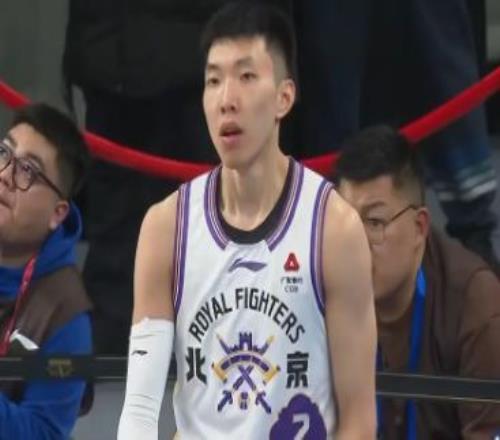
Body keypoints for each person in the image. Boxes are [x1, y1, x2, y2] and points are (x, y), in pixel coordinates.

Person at [117, 2, 377, 439]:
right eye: (213, 80)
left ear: (284, 97)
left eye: (246, 76)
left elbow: (358, 419)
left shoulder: (334, 229)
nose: (227, 100)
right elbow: (140, 412)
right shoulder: (166, 228)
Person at [334, 125, 500, 439]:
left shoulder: (475, 303)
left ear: (419, 227)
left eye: (375, 222)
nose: (356, 243)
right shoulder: (324, 286)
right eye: (347, 222)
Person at [0, 103, 93, 439]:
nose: (5, 175)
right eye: (4, 153)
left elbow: (45, 433)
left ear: (58, 213)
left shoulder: (66, 313)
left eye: (27, 170)